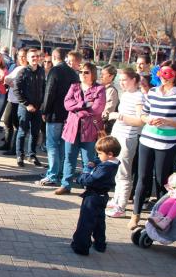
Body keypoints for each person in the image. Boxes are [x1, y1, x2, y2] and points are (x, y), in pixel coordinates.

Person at [131, 60, 176, 229]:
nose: (165, 78)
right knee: (142, 177)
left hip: (167, 143)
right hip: (147, 139)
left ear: (175, 75)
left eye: (169, 74)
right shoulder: (152, 92)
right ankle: (135, 215)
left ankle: (160, 216)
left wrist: (169, 122)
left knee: (161, 180)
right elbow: (143, 114)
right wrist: (148, 119)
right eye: (162, 73)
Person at [57, 62, 106, 195]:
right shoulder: (74, 86)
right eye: (81, 72)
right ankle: (66, 185)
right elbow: (67, 104)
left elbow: (97, 108)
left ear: (93, 74)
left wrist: (78, 111)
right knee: (69, 158)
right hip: (72, 128)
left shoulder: (99, 89)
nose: (83, 75)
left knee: (88, 160)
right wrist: (83, 104)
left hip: (89, 130)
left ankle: (87, 187)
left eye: (86, 72)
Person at [70, 136, 121, 255]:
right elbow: (99, 162)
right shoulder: (111, 163)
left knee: (85, 222)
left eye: (99, 154)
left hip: (93, 197)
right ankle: (100, 244)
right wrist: (95, 162)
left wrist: (84, 173)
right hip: (101, 196)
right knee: (98, 222)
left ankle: (80, 246)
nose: (98, 156)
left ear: (110, 154)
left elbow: (89, 180)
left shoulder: (106, 167)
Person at [105, 69, 145, 218]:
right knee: (116, 168)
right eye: (120, 80)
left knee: (124, 171)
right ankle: (116, 199)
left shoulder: (139, 96)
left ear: (134, 80)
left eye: (125, 80)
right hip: (118, 133)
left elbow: (140, 120)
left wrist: (119, 116)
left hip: (128, 137)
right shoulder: (126, 94)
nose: (121, 83)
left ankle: (121, 206)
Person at [39, 48, 79, 186]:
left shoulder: (55, 71)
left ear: (55, 57)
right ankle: (60, 172)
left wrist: (44, 110)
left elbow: (49, 92)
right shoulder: (73, 73)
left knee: (52, 145)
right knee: (62, 145)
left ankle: (52, 175)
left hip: (54, 114)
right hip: (68, 115)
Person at [14, 48, 45, 167]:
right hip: (25, 107)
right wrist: (27, 104)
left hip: (38, 108)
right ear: (27, 58)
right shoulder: (22, 72)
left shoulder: (41, 71)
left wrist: (42, 104)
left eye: (37, 56)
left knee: (35, 132)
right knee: (22, 132)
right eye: (32, 56)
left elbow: (43, 88)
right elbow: (16, 90)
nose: (35, 58)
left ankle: (31, 155)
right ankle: (19, 155)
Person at [0, 48, 28, 154]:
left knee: (16, 125)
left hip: (19, 101)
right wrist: (9, 82)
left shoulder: (27, 69)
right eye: (20, 56)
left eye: (24, 56)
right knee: (7, 122)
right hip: (11, 99)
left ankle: (14, 148)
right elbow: (6, 78)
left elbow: (18, 83)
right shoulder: (17, 67)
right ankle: (7, 143)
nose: (21, 58)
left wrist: (11, 82)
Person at [100, 65, 119, 134]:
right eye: (100, 74)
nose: (101, 76)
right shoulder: (102, 88)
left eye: (103, 74)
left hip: (103, 126)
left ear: (111, 76)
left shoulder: (111, 91)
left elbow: (108, 110)